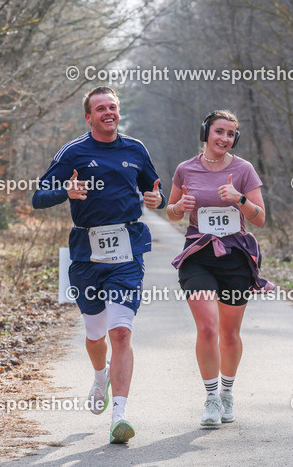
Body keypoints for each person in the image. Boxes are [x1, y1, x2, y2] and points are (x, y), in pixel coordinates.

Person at [32, 86, 165, 444]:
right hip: (86, 253)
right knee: (95, 335)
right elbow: (38, 196)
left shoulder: (135, 149)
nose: (109, 112)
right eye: (101, 108)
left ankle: (119, 415)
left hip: (127, 250)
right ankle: (99, 374)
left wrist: (157, 198)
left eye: (113, 107)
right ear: (89, 116)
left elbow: (155, 190)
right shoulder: (73, 152)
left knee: (120, 331)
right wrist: (66, 192)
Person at [166, 110, 273, 427]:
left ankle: (227, 393)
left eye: (230, 134)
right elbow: (171, 212)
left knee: (229, 333)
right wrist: (179, 207)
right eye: (219, 132)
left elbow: (259, 218)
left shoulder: (244, 170)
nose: (224, 138)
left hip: (235, 257)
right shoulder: (186, 169)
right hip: (198, 255)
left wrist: (239, 199)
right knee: (208, 327)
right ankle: (211, 398)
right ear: (206, 133)